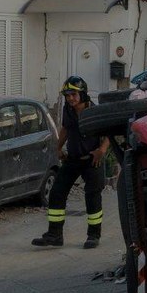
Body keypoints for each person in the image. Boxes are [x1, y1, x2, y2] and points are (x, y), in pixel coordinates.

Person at [32, 76, 109, 249]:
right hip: (73, 159)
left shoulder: (95, 111)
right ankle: (54, 235)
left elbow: (109, 133)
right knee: (57, 193)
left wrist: (102, 150)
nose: (70, 99)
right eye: (67, 95)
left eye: (73, 94)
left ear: (83, 94)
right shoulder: (68, 110)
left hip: (92, 160)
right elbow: (66, 128)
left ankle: (93, 236)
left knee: (93, 197)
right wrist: (58, 147)